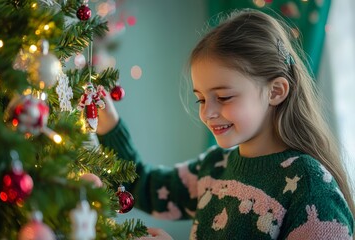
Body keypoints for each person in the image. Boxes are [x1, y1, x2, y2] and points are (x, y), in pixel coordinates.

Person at [96, 9, 354, 239]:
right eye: (200, 100)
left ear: (275, 91)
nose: (208, 112)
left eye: (223, 97)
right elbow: (143, 187)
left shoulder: (310, 188)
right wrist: (108, 124)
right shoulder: (214, 167)